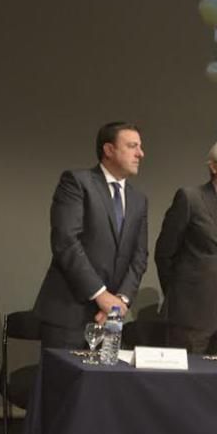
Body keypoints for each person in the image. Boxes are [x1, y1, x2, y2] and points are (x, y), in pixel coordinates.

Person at [33, 122, 148, 348]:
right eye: (133, 146)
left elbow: (140, 255)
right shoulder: (77, 182)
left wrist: (119, 302)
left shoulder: (138, 199)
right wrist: (100, 295)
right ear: (109, 150)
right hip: (69, 313)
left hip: (111, 320)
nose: (140, 153)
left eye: (140, 147)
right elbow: (66, 241)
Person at [155, 138, 217, 353]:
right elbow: (165, 252)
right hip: (190, 313)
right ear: (212, 166)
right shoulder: (191, 198)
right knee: (186, 383)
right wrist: (178, 294)